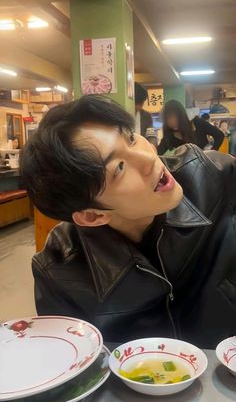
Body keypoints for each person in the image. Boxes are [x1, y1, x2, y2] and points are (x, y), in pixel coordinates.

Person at [20, 96, 236, 349]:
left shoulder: (217, 177)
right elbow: (70, 364)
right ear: (93, 215)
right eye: (119, 168)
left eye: (131, 137)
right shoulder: (59, 269)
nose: (148, 158)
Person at [158, 100, 224, 155]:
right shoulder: (170, 136)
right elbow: (158, 153)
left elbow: (219, 135)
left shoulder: (197, 123)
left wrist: (211, 153)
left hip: (205, 166)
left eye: (174, 117)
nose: (172, 121)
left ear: (181, 115)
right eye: (168, 118)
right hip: (188, 169)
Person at [134, 82, 157, 147]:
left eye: (141, 103)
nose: (139, 106)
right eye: (136, 103)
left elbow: (151, 136)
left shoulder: (146, 116)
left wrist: (152, 146)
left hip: (142, 151)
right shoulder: (122, 115)